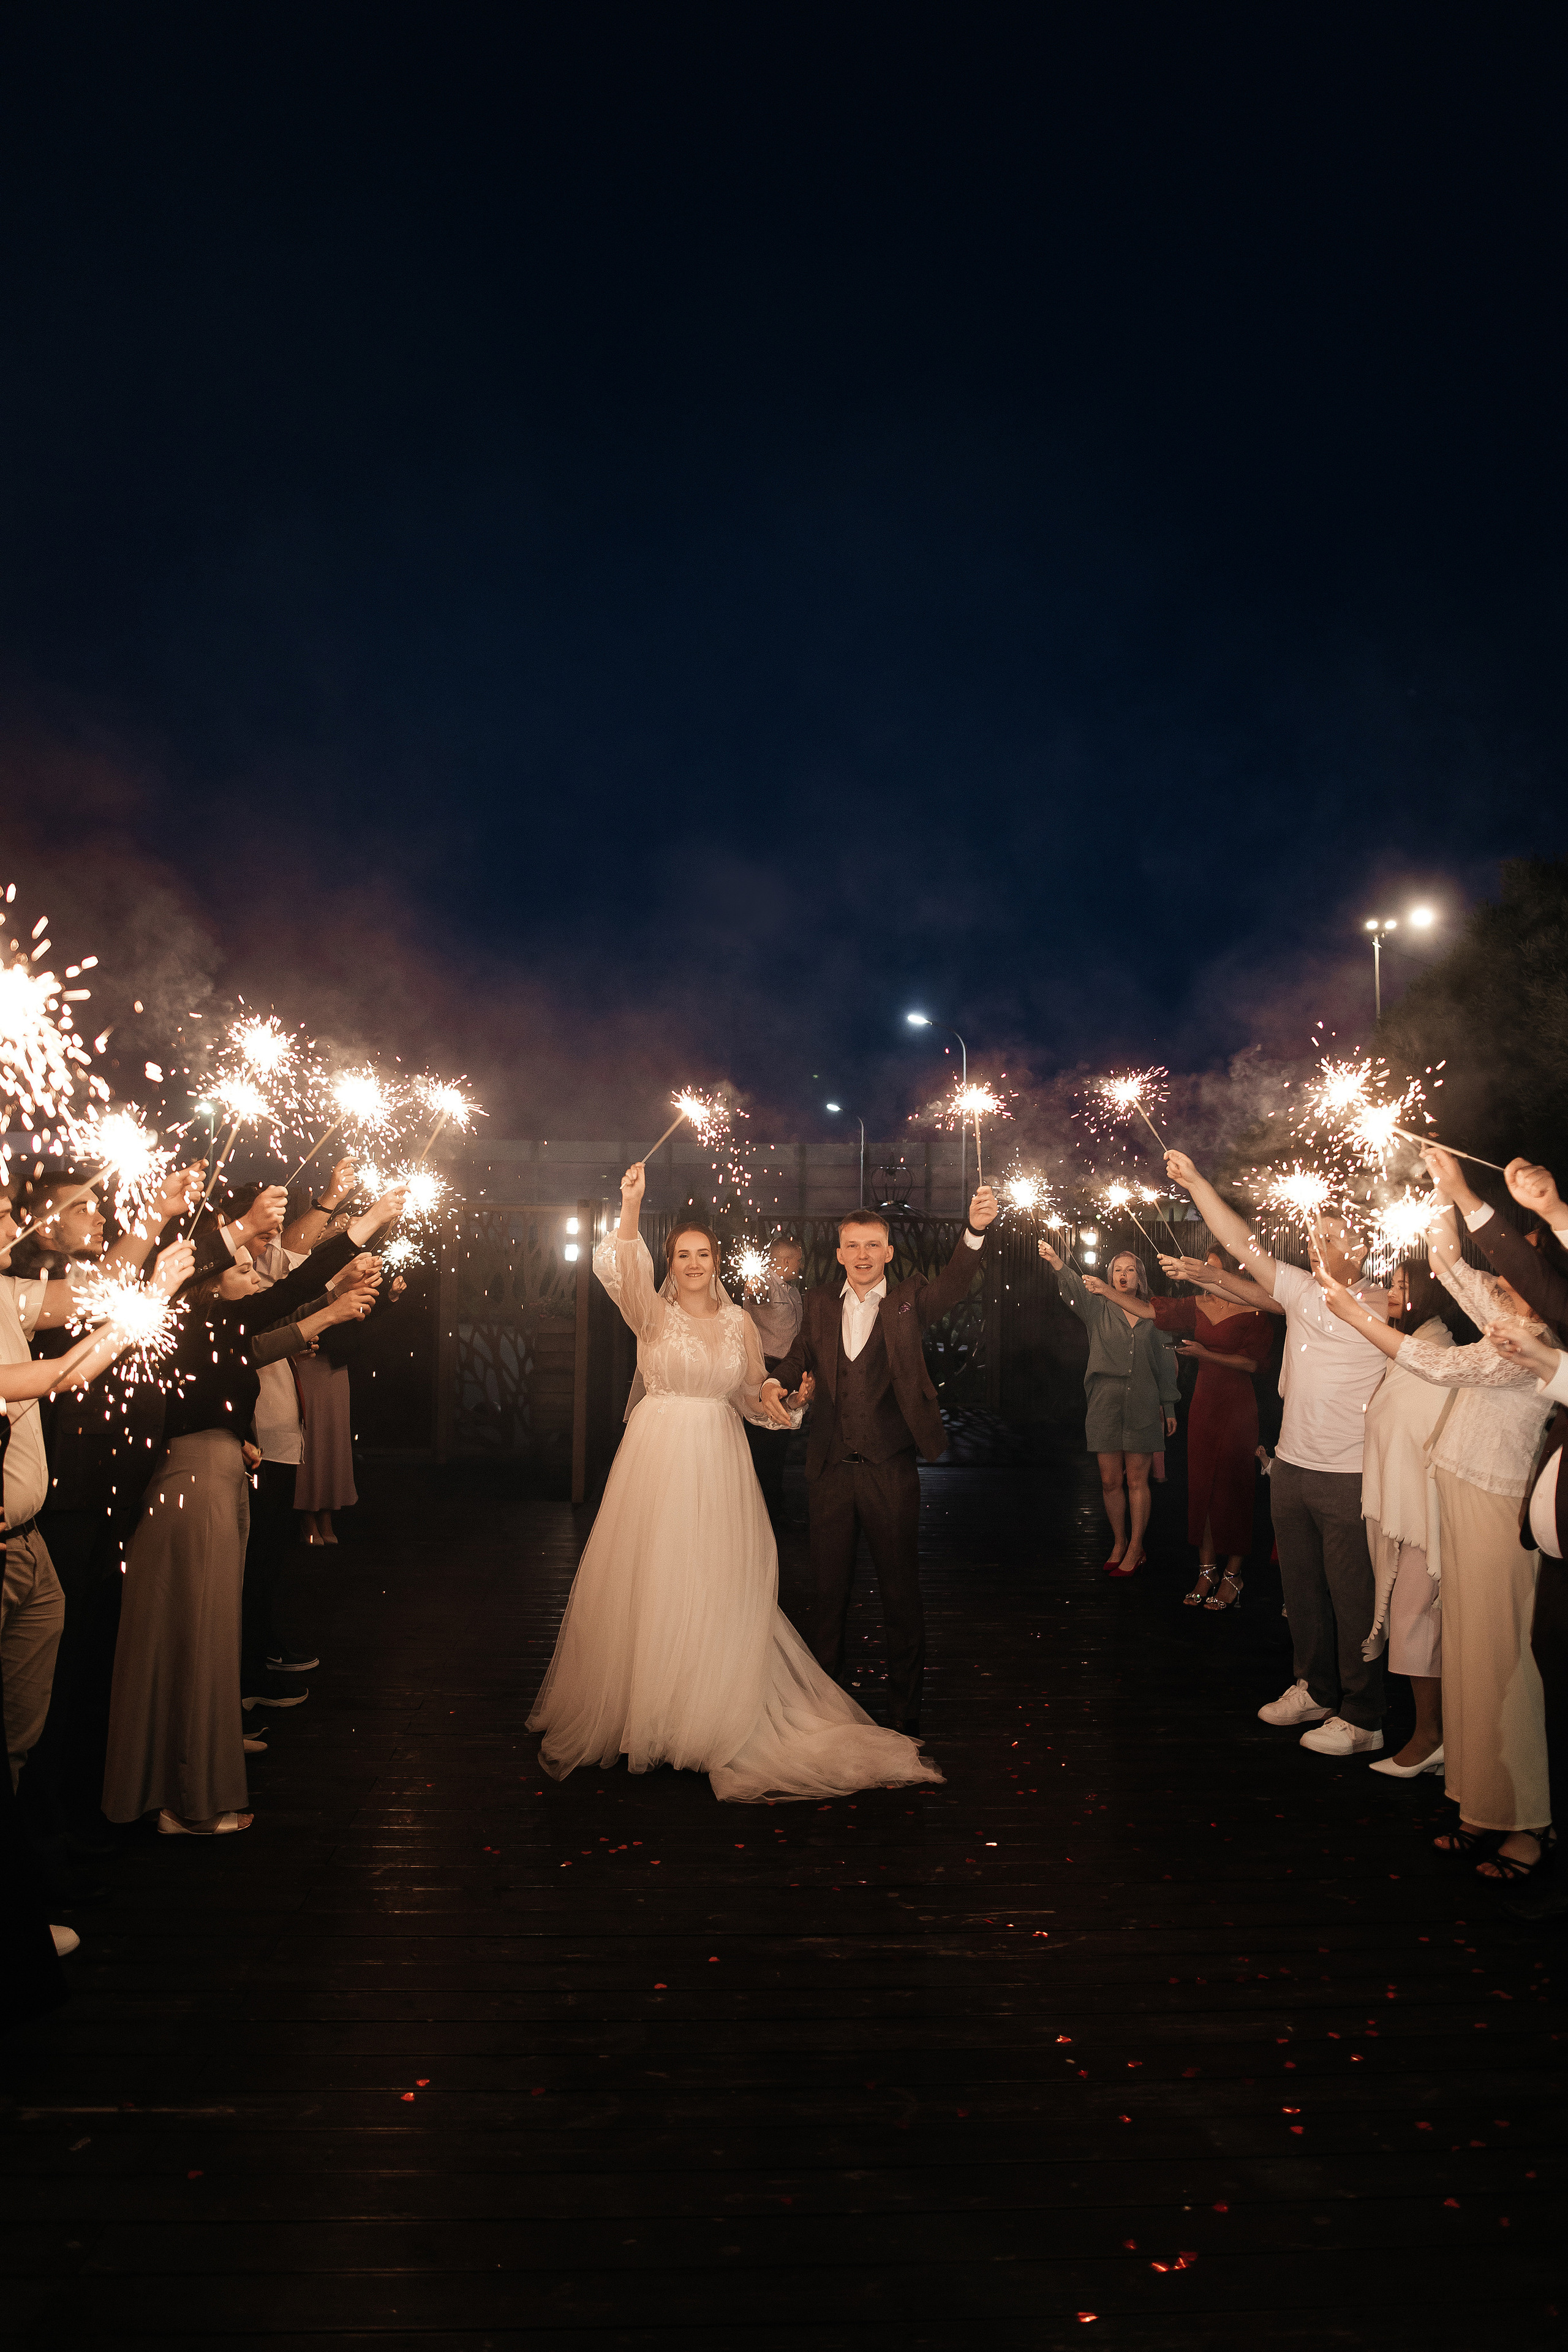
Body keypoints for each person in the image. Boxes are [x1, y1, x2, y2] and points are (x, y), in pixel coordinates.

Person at [529, 1163, 942, 1801]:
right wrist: (631, 1205)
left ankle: (704, 1712)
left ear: (717, 1262)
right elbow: (622, 1270)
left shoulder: (738, 1324)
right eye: (683, 1255)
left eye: (703, 1255)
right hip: (657, 1459)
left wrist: (788, 1402)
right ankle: (646, 1714)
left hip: (719, 1460)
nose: (693, 1264)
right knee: (654, 1577)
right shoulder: (651, 1314)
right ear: (671, 1263)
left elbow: (753, 1395)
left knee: (712, 1580)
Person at [102, 1190, 399, 1837]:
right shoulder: (195, 1323)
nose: (254, 1277)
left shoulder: (194, 1328)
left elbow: (264, 1336)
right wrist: (364, 1227)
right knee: (202, 1639)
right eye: (240, 1268)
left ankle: (158, 1786)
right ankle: (191, 1802)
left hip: (201, 1473)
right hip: (198, 1484)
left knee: (184, 1637)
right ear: (209, 1283)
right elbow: (290, 1292)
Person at [1317, 1184, 1552, 1883]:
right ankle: (1480, 1805)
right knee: (1469, 1664)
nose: (1503, 1273)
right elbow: (1451, 1266)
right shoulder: (1509, 1315)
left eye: (1521, 1264)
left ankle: (1528, 1822)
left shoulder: (1536, 1341)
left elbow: (1440, 1364)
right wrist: (1439, 1189)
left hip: (1497, 1513)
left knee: (1502, 1668)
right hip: (1460, 1501)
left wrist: (1355, 1315)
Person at [1161, 1150, 1390, 1756]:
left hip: (1350, 1474)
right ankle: (1314, 1689)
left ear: (1362, 1248)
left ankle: (1364, 1715)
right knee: (1302, 1592)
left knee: (1353, 1597)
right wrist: (1197, 1182)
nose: (1316, 1245)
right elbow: (1239, 1241)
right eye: (1315, 1235)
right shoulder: (1303, 1289)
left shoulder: (1384, 1305)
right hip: (1291, 1465)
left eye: (1330, 1238)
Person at [762, 1189, 998, 1733]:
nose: (863, 1254)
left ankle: (904, 1717)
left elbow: (954, 1283)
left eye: (873, 1245)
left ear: (888, 1253)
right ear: (839, 1253)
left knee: (899, 1595)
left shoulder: (910, 1300)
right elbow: (799, 1356)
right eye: (853, 1245)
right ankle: (825, 1712)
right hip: (828, 1471)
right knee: (828, 1597)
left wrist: (975, 1231)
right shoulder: (820, 1302)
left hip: (890, 1469)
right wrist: (776, 1382)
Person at [1099, 1244, 1273, 1606]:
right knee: (1203, 1485)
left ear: (1235, 1273)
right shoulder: (1197, 1304)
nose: (1205, 1274)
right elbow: (1149, 1309)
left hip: (1238, 1405)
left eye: (1214, 1269)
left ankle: (1234, 1574)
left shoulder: (1256, 1308)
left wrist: (1205, 1354)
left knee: (1235, 1487)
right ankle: (1206, 1570)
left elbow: (1255, 1365)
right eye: (1204, 1267)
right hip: (1205, 1402)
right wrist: (1105, 1290)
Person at [1359, 1261, 1458, 1780]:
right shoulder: (1407, 1347)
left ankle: (1429, 1737)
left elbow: (1429, 1430)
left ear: (1428, 1293)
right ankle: (1436, 1738)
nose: (1393, 1291)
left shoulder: (1435, 1351)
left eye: (1404, 1285)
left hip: (1425, 1514)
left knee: (1417, 1622)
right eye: (1392, 1283)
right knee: (1417, 1622)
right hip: (1408, 1510)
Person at [1037, 1240, 1178, 1579]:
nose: (1123, 1275)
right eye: (1118, 1270)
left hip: (1143, 1402)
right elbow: (1074, 1286)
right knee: (1110, 1480)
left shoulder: (1154, 1312)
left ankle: (1136, 1546)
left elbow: (1164, 1363)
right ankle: (1119, 1542)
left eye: (1130, 1270)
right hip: (1105, 1403)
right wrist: (1056, 1260)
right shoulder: (1097, 1305)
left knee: (1138, 1481)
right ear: (1110, 1276)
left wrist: (1169, 1405)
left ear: (1140, 1277)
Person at [741, 1238, 804, 1528]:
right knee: (765, 1445)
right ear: (787, 1261)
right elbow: (758, 1295)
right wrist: (754, 1283)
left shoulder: (793, 1290)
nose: (801, 1266)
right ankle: (763, 1515)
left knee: (779, 1443)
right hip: (764, 1371)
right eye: (799, 1260)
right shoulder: (764, 1282)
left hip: (786, 1371)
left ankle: (772, 1509)